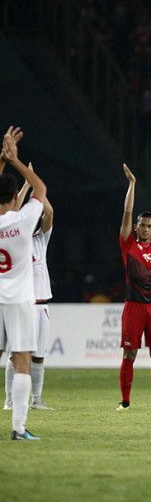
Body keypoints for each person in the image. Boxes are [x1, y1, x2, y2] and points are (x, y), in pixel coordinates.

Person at [0, 126, 46, 439]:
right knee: (22, 362)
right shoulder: (24, 220)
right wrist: (14, 161)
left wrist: (1, 160)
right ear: (17, 196)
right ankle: (18, 429)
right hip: (19, 301)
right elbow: (40, 190)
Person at [117, 164, 151, 411]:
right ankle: (125, 401)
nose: (147, 229)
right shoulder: (127, 243)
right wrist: (132, 184)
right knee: (129, 356)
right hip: (134, 308)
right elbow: (127, 212)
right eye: (144, 225)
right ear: (137, 227)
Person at [4, 167, 54, 411]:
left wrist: (37, 194)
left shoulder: (40, 240)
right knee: (16, 356)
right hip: (21, 302)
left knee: (38, 356)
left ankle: (36, 400)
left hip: (40, 305)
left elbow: (49, 214)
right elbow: (12, 213)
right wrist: (29, 187)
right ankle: (10, 401)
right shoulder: (16, 234)